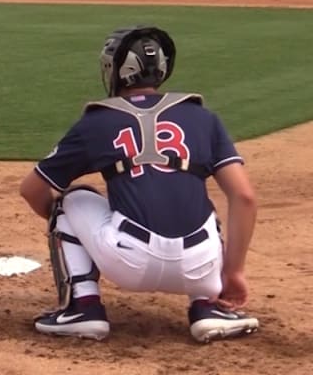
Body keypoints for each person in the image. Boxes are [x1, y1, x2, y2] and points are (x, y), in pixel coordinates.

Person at [18, 25, 259, 344]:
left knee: (71, 200)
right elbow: (244, 197)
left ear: (117, 70)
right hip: (200, 268)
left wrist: (66, 228)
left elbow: (32, 189)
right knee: (205, 210)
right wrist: (234, 273)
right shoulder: (204, 118)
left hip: (127, 262)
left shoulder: (97, 121)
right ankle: (208, 306)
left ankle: (83, 308)